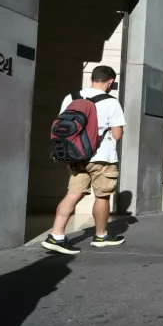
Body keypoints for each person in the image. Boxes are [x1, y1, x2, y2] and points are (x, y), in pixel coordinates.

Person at [42, 65, 127, 254]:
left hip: (76, 155)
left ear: (92, 79)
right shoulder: (111, 102)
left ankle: (56, 235)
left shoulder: (71, 97)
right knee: (102, 195)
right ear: (110, 82)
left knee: (73, 193)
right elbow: (117, 134)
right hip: (101, 157)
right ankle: (101, 235)